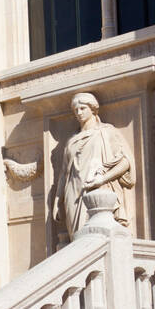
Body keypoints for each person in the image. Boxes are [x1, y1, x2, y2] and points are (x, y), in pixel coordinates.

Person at [52, 92, 135, 240]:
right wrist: (58, 200)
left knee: (98, 237)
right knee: (77, 238)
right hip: (72, 193)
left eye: (83, 108)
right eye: (75, 110)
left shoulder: (106, 132)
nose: (78, 113)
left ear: (93, 109)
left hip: (97, 190)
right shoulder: (71, 141)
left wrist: (102, 179)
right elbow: (64, 174)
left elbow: (125, 162)